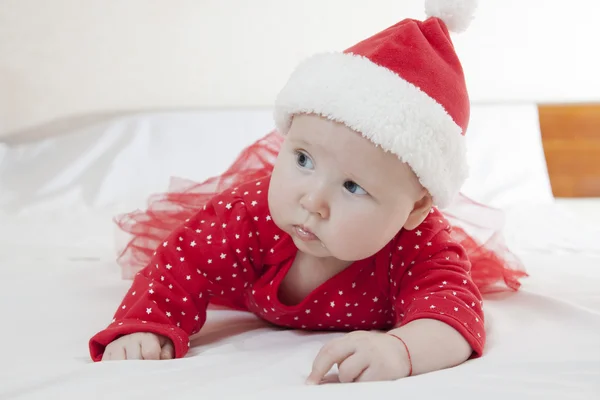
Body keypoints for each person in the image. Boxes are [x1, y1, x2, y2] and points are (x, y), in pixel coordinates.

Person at [89, 0, 527, 384]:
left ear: (414, 208)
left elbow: (454, 316)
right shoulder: (248, 213)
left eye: (353, 186)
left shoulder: (420, 245)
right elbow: (181, 265)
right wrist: (144, 326)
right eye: (303, 160)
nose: (312, 201)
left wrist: (402, 350)